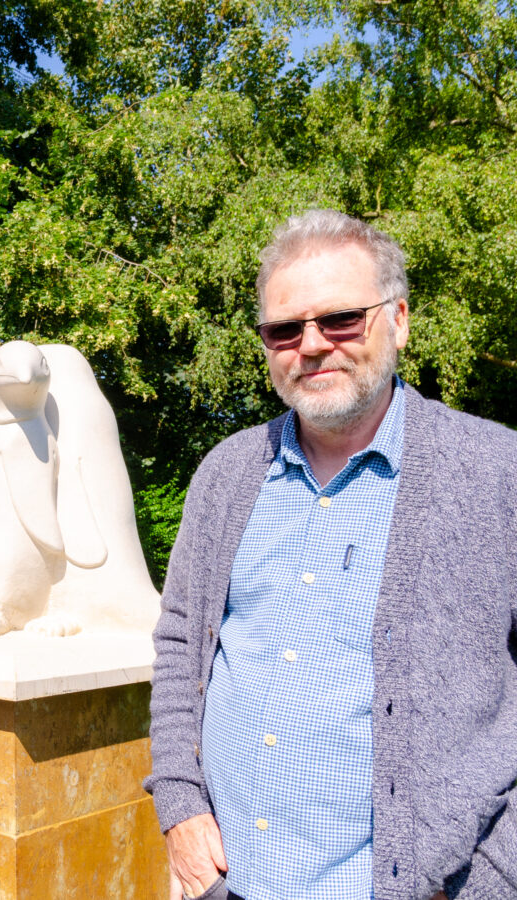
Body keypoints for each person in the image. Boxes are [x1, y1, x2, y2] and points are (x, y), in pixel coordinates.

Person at [146, 210, 517, 900]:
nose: (311, 346)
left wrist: (491, 876)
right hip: (227, 885)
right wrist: (179, 803)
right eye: (285, 329)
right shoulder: (227, 474)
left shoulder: (496, 473)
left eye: (341, 320)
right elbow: (178, 647)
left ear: (398, 320)